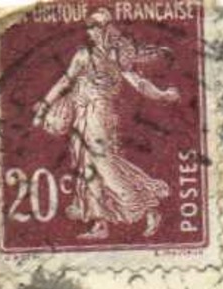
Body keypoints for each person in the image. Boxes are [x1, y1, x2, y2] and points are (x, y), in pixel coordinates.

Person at [32, 8, 179, 241]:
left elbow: (137, 81)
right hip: (80, 113)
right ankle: (99, 224)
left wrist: (161, 95)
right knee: (86, 166)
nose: (93, 31)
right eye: (90, 26)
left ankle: (146, 207)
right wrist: (43, 105)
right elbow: (65, 80)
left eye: (98, 26)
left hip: (100, 114)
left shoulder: (116, 56)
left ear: (108, 28)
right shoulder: (82, 54)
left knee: (104, 164)